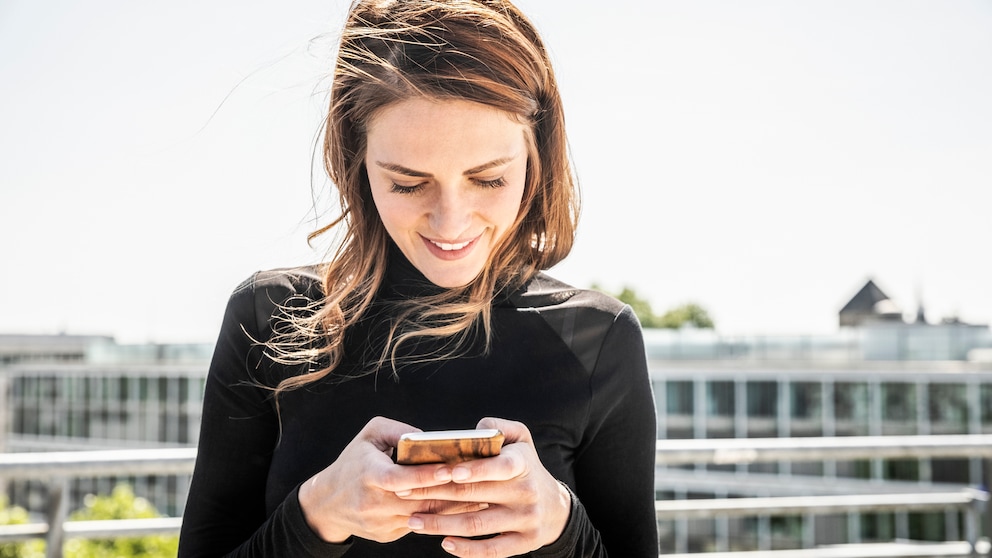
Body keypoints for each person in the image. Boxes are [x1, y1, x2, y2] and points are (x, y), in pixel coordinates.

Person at [177, 1, 658, 556]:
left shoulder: (598, 339)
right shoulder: (271, 317)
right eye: (408, 183)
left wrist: (561, 525)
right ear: (354, 159)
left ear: (535, 157)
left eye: (489, 179)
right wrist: (316, 515)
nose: (451, 224)